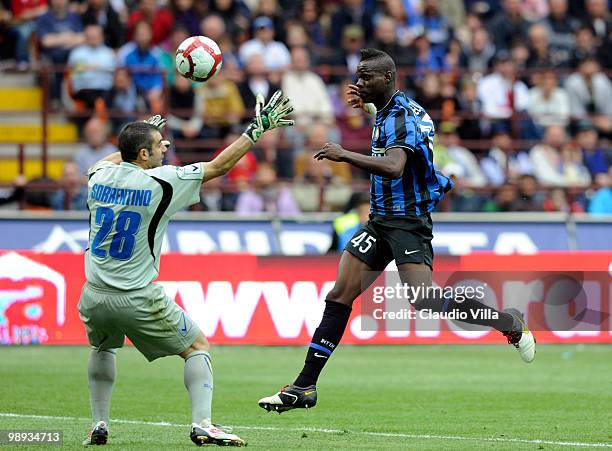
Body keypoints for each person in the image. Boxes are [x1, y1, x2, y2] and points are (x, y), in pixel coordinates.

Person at [258, 48, 536, 414]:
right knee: (339, 295)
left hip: (407, 222)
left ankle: (507, 321)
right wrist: (369, 105)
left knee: (423, 299)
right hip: (380, 220)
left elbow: (393, 166)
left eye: (366, 77)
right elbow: (387, 127)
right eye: (357, 76)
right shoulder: (391, 109)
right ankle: (304, 386)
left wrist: (344, 154)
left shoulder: (401, 118)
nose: (358, 83)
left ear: (387, 78)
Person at [78, 90, 294, 446]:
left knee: (103, 349)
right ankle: (203, 424)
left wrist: (139, 132)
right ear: (144, 154)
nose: (166, 147)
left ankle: (99, 425)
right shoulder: (162, 182)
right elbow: (219, 167)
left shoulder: (98, 176)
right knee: (196, 346)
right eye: (159, 144)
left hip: (94, 294)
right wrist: (255, 131)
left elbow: (114, 157)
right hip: (136, 295)